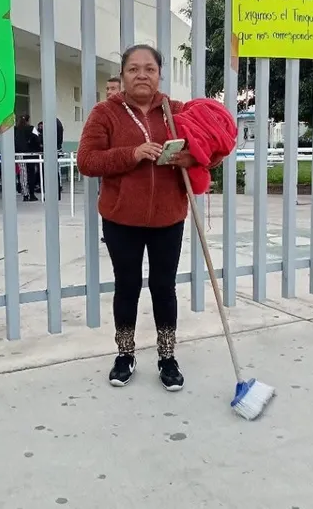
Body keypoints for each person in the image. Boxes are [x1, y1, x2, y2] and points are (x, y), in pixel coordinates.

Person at [77, 44, 216, 392]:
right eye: (134, 69)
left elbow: (209, 151)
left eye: (149, 69)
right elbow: (87, 161)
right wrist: (133, 154)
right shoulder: (104, 113)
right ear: (122, 75)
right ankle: (125, 354)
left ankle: (167, 356)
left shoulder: (176, 111)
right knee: (127, 286)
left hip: (168, 218)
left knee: (163, 286)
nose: (142, 75)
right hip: (121, 218)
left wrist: (189, 160)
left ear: (159, 74)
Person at [99, 76, 122, 243]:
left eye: (113, 88)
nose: (109, 92)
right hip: (109, 168)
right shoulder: (103, 113)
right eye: (107, 88)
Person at [34, 116, 65, 199]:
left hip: (50, 151)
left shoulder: (52, 124)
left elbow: (48, 138)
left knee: (48, 173)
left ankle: (50, 194)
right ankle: (56, 193)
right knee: (55, 173)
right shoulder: (57, 123)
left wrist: (39, 137)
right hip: (55, 149)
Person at [13, 114, 40, 201]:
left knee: (23, 174)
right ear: (28, 120)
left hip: (20, 154)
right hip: (31, 154)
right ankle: (31, 194)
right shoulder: (32, 128)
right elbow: (38, 139)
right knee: (31, 174)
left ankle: (25, 194)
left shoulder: (15, 130)